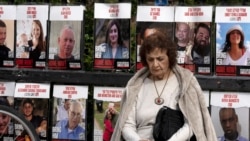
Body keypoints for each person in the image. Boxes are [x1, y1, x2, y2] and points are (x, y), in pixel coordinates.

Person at [111, 31, 217, 141]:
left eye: (160, 59)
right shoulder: (136, 85)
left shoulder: (185, 82)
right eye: (151, 59)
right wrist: (137, 140)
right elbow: (126, 125)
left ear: (169, 58)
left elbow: (191, 124)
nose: (155, 64)